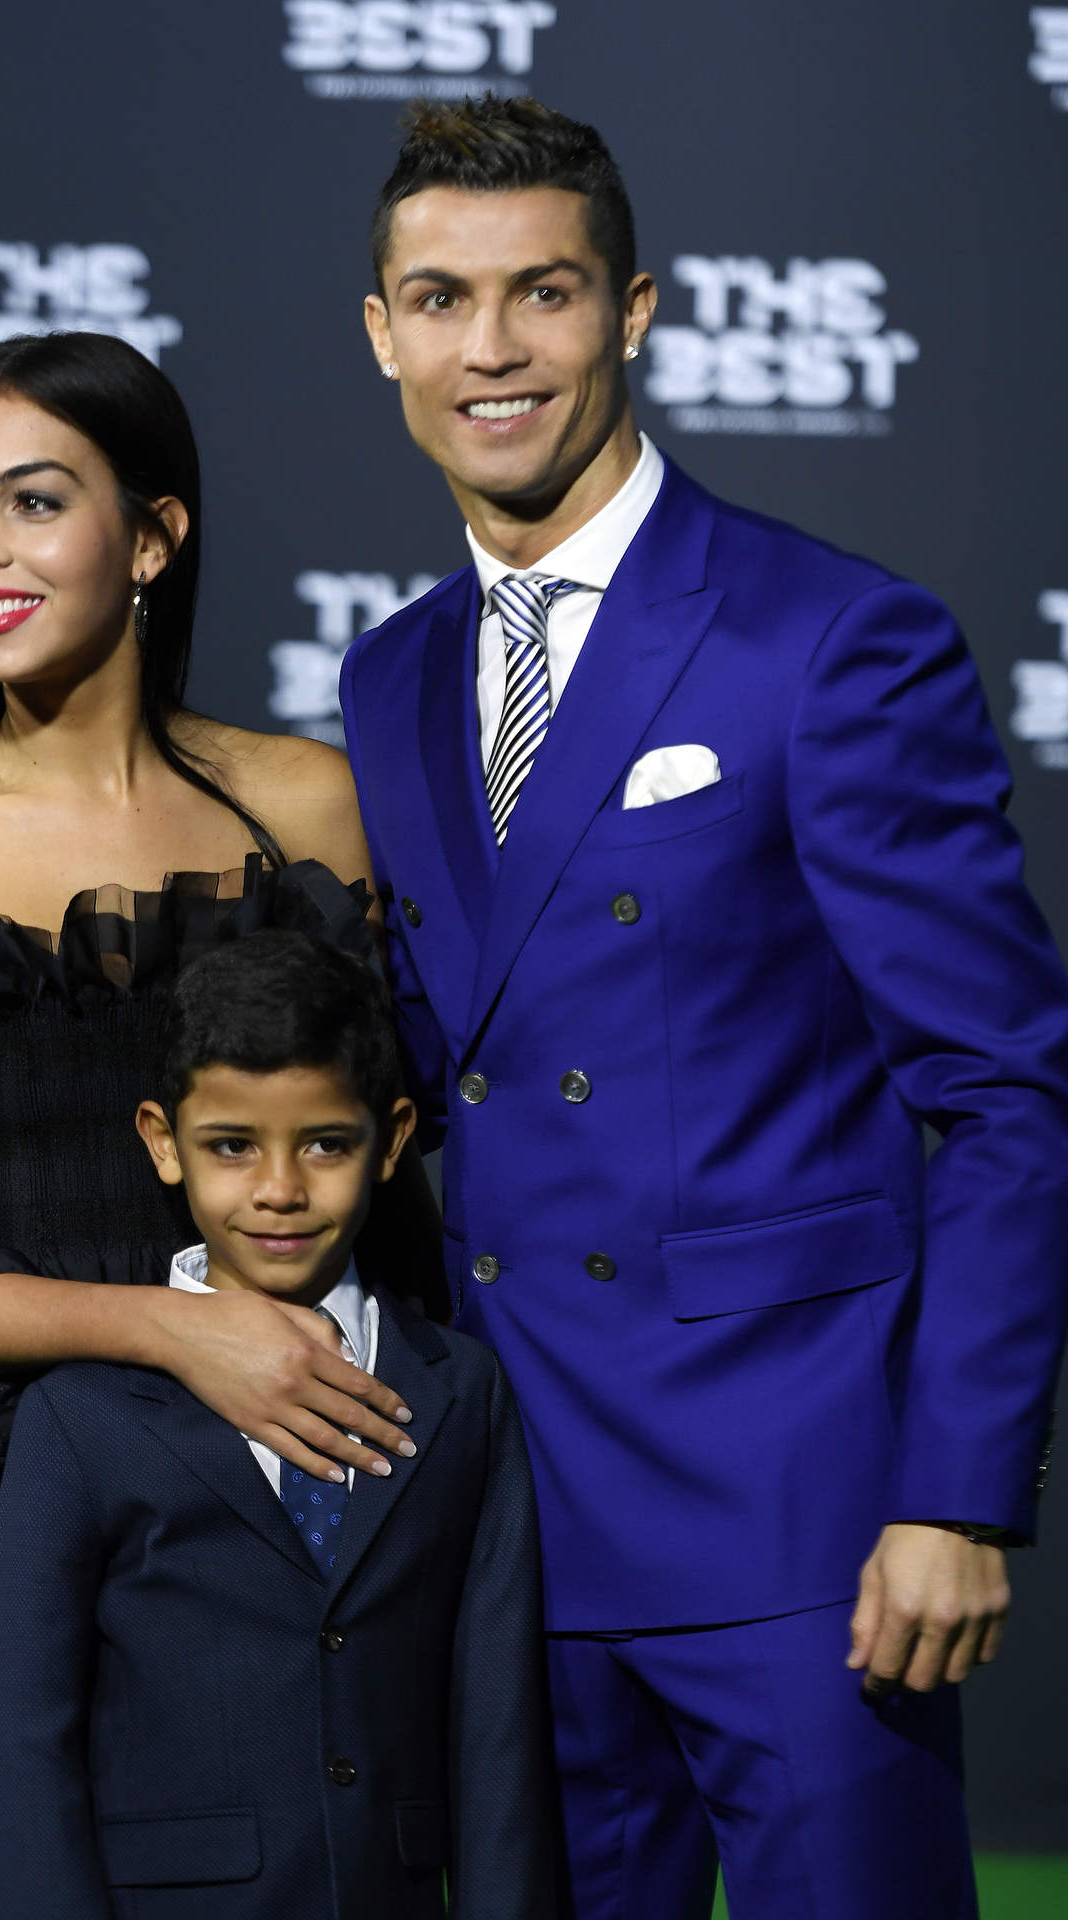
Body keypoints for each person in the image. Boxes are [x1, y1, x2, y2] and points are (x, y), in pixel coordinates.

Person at [339, 95, 1068, 1919]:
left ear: (635, 311)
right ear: (382, 336)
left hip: (806, 1529)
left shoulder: (828, 638)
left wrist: (957, 1490)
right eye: (441, 300)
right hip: (512, 1522)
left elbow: (1002, 1090)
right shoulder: (392, 676)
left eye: (545, 292)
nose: (492, 350)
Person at [0, 332, 437, 1883]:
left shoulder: (306, 804)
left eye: (32, 501)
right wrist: (180, 1328)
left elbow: (403, 1175)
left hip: (328, 1487)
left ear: (152, 537)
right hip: (42, 1529)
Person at [0, 927, 556, 1920]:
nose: (280, 1190)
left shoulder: (463, 1391)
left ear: (392, 1140)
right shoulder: (80, 1412)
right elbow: (17, 1742)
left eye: (326, 1143)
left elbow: (499, 1728)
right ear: (163, 1141)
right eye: (232, 1146)